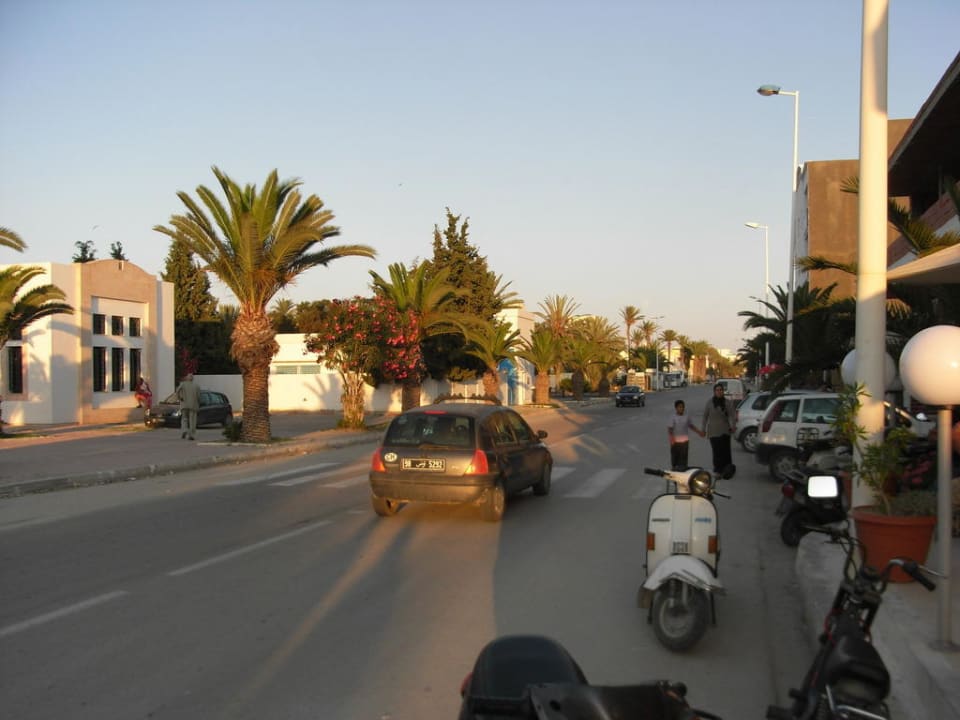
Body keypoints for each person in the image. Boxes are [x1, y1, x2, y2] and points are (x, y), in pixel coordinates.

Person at [703, 382, 736, 477]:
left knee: (726, 451)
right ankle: (718, 469)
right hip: (713, 431)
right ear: (714, 392)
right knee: (716, 451)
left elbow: (732, 415)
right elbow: (705, 416)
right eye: (717, 390)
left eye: (721, 390)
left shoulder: (727, 402)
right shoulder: (710, 403)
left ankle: (727, 469)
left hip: (725, 430)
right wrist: (703, 429)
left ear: (723, 391)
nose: (719, 392)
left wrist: (733, 426)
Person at [667, 399, 703, 470]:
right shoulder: (673, 417)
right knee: (675, 459)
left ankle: (683, 472)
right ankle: (674, 471)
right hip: (675, 442)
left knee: (683, 459)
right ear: (676, 408)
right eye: (679, 407)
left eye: (682, 407)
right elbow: (670, 429)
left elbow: (691, 426)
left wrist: (699, 432)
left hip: (685, 442)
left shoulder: (687, 416)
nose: (681, 408)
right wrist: (671, 438)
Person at [176, 373, 201, 440]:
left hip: (184, 404)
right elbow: (199, 397)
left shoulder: (183, 384)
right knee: (192, 420)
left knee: (184, 419)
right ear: (192, 379)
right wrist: (198, 402)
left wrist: (179, 397)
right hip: (193, 405)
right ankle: (191, 434)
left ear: (187, 378)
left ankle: (184, 430)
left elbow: (177, 390)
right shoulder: (196, 386)